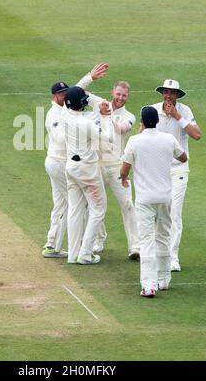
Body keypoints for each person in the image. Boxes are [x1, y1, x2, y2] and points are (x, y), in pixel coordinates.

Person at [42, 63, 109, 258]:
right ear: (55, 97)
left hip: (64, 163)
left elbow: (76, 92)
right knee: (79, 205)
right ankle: (83, 248)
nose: (65, 96)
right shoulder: (55, 114)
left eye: (66, 93)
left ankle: (53, 245)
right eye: (61, 94)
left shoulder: (65, 110)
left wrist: (90, 77)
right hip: (60, 162)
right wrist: (82, 127)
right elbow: (61, 139)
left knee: (62, 204)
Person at [120, 106, 187, 297]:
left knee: (147, 240)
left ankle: (149, 285)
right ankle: (164, 280)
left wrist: (124, 178)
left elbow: (124, 169)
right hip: (165, 196)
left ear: (142, 122)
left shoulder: (135, 141)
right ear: (157, 121)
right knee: (164, 236)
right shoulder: (168, 139)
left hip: (145, 199)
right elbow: (183, 157)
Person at [79, 80, 140, 259]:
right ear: (113, 92)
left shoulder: (129, 115)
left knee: (128, 204)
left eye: (124, 95)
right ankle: (98, 239)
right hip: (96, 164)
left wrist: (107, 115)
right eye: (118, 94)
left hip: (116, 165)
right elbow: (78, 91)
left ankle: (135, 247)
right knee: (94, 204)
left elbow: (122, 129)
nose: (120, 98)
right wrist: (90, 77)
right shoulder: (100, 103)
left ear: (128, 97)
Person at [152, 79, 201, 271]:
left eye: (173, 93)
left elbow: (196, 135)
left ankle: (173, 258)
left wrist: (177, 116)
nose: (169, 96)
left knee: (175, 213)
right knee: (158, 213)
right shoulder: (153, 110)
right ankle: (158, 254)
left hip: (179, 169)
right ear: (162, 93)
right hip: (157, 170)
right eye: (166, 92)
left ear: (177, 95)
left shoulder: (185, 111)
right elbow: (142, 134)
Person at [62, 86, 113, 264]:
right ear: (82, 103)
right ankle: (85, 254)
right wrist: (105, 117)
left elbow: (75, 94)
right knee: (98, 209)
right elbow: (109, 137)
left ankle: (72, 254)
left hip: (71, 167)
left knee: (75, 210)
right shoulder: (86, 124)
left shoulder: (64, 114)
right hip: (87, 170)